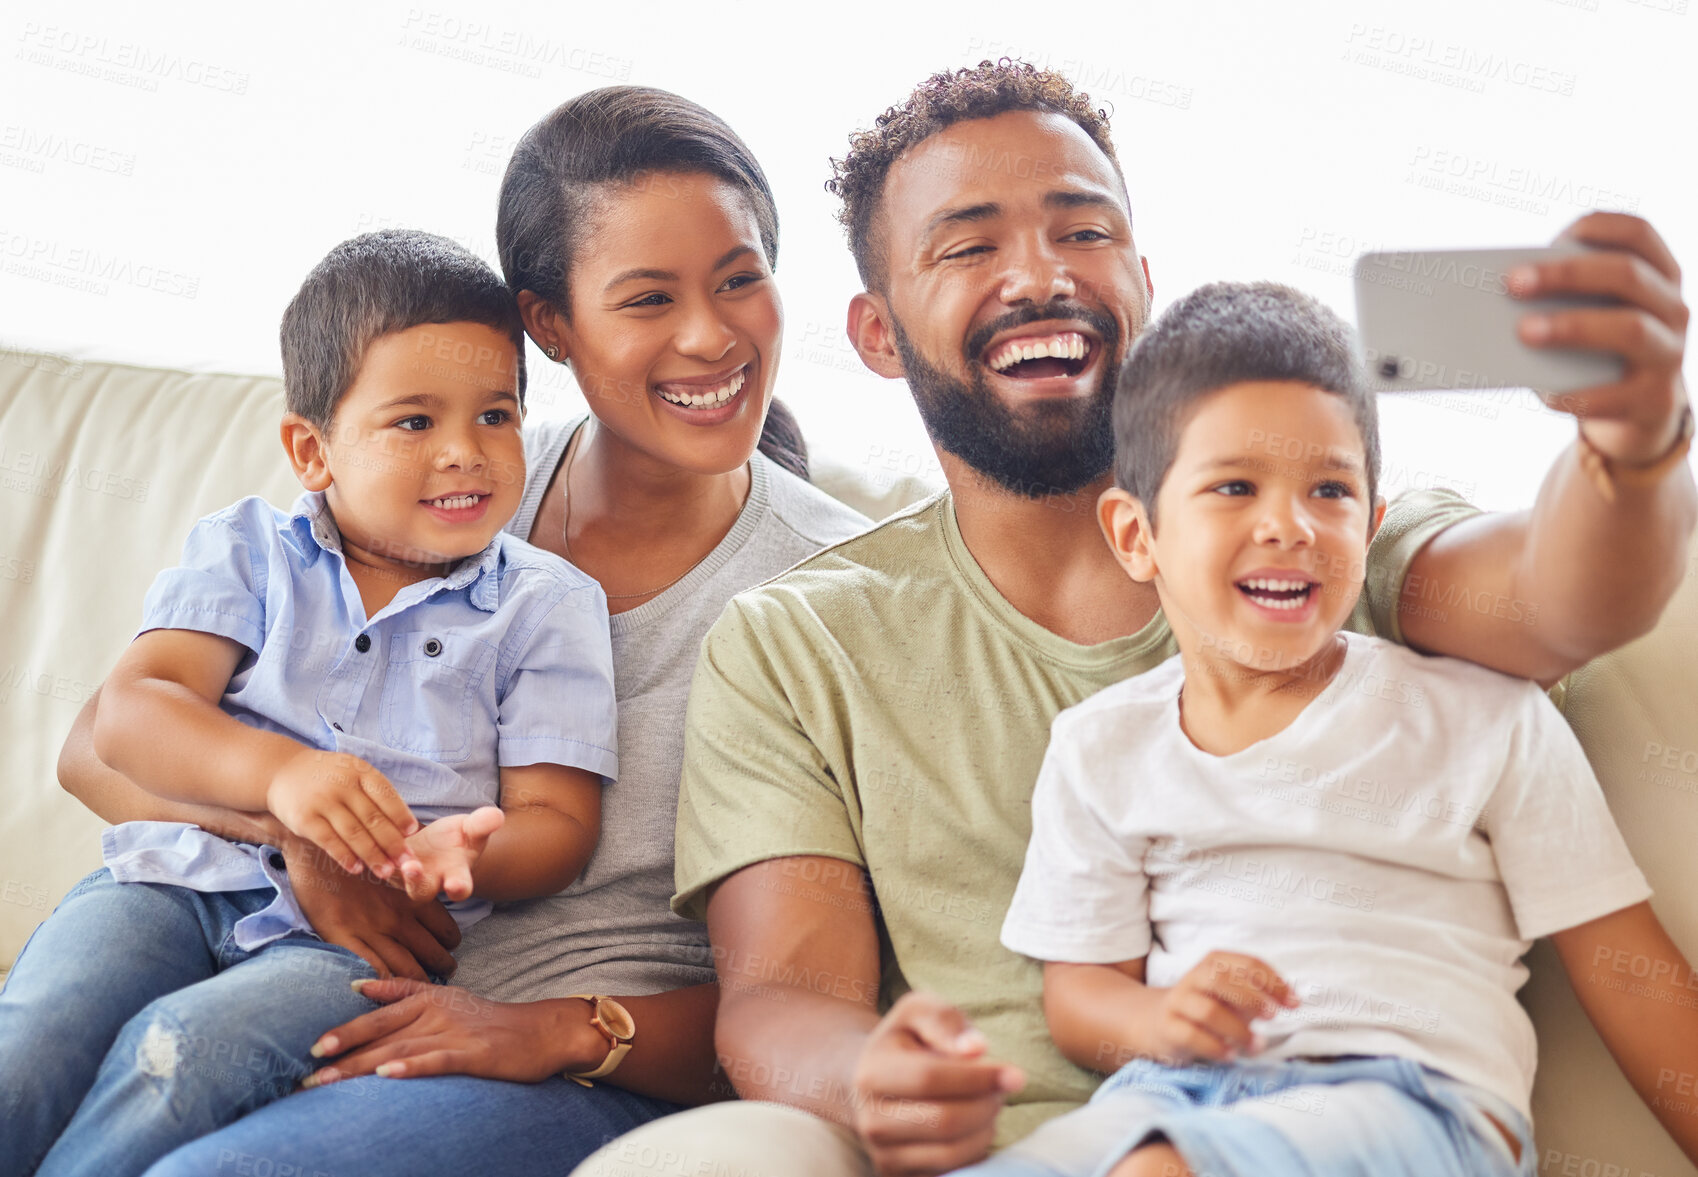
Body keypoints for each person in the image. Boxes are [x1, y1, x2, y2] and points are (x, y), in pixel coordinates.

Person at [573, 60, 1695, 1177]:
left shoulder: (1323, 544)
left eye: (1083, 231)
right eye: (969, 246)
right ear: (875, 332)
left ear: (1144, 280)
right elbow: (781, 996)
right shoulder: (800, 643)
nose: (1039, 276)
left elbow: (1557, 596)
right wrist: (871, 1079)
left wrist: (1631, 451)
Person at [51, 86, 870, 1177]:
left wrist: (557, 1031)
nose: (709, 335)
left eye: (741, 278)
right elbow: (97, 748)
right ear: (548, 323)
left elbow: (820, 1001)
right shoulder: (449, 477)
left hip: (563, 1070)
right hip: (321, 976)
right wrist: (303, 842)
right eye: (646, 298)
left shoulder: (840, 591)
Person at [949, 280, 1698, 1177]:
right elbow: (1081, 991)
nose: (1288, 525)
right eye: (1234, 485)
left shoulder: (1486, 716)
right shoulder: (1099, 746)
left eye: (1330, 490)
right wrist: (1156, 1019)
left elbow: (1628, 971)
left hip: (1418, 1104)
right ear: (1136, 533)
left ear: (1373, 522)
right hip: (1168, 1097)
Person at [0, 227, 620, 1177]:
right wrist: (282, 777)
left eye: (496, 416)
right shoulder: (249, 550)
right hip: (170, 877)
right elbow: (131, 712)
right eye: (415, 423)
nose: (465, 452)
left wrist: (451, 857)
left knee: (184, 1053)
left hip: (349, 942)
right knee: (36, 1036)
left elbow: (560, 821)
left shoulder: (547, 605)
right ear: (312, 448)